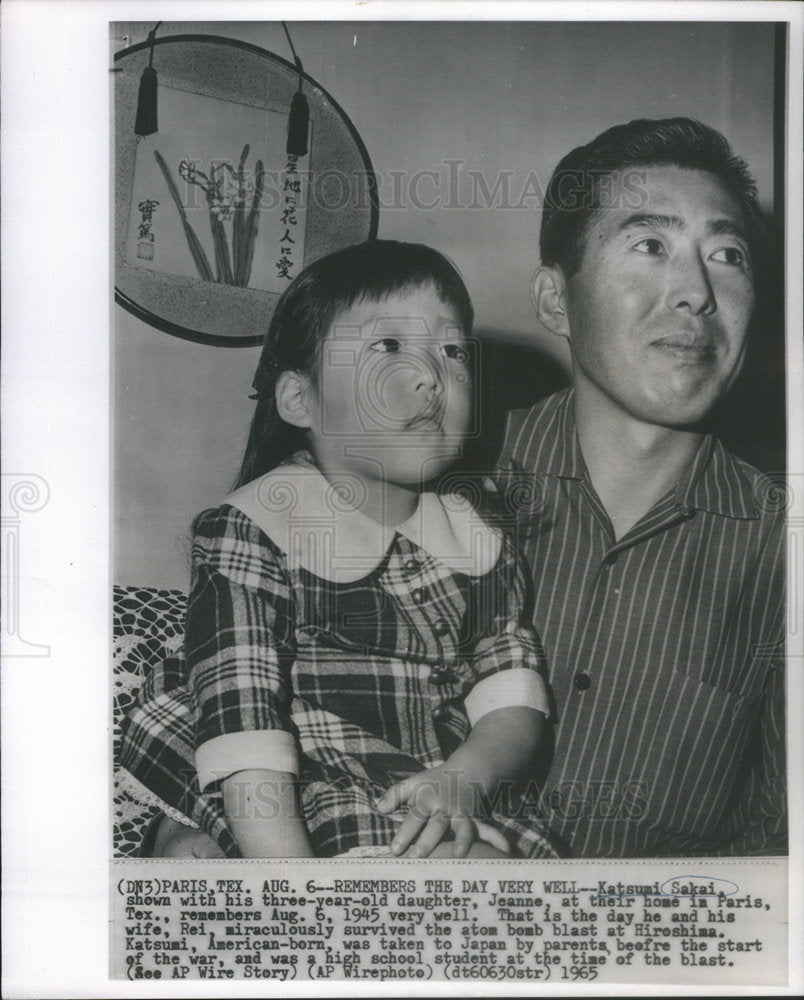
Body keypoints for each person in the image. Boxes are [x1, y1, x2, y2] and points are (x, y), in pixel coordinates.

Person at [119, 240, 561, 860]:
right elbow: (241, 717)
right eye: (387, 347)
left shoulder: (479, 534)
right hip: (294, 779)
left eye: (452, 350)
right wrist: (289, 887)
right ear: (300, 398)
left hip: (432, 776)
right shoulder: (255, 525)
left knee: (513, 878)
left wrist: (468, 778)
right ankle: (208, 843)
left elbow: (512, 696)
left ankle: (197, 849)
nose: (430, 375)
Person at [496, 117, 786, 856]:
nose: (695, 292)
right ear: (556, 300)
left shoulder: (784, 551)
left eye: (727, 255)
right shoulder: (442, 482)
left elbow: (779, 852)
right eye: (650, 245)